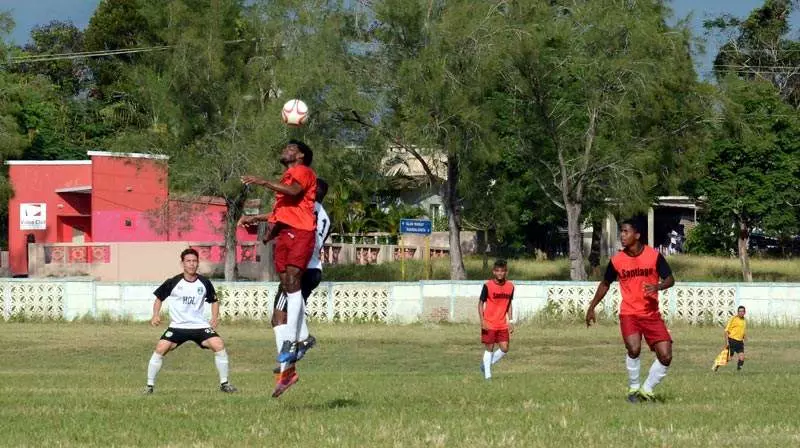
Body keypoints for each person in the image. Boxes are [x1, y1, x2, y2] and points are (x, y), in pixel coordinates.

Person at [238, 139, 317, 398]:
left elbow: (294, 192)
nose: (285, 150)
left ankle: (293, 341)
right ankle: (298, 345)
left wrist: (261, 181)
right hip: (286, 235)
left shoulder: (302, 172)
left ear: (301, 155)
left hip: (300, 233)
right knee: (287, 285)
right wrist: (264, 227)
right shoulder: (286, 178)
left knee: (292, 285)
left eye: (291, 148)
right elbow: (281, 212)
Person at [585, 219, 675, 403]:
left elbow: (670, 279)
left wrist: (658, 287)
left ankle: (647, 389)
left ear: (637, 235)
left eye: (626, 232)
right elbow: (605, 283)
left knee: (666, 355)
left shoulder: (654, 256)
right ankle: (634, 388)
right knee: (633, 349)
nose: (622, 235)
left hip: (651, 314)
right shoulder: (617, 260)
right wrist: (592, 306)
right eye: (621, 232)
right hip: (629, 314)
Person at [145, 248, 237, 394]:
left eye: (194, 261)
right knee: (160, 348)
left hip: (199, 326)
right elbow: (159, 299)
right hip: (178, 326)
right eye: (188, 261)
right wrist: (155, 315)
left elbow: (214, 301)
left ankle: (224, 384)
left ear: (197, 263)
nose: (192, 264)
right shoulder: (173, 282)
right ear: (182, 263)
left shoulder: (204, 282)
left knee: (218, 344)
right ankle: (149, 386)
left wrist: (214, 317)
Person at [269, 178, 331, 373]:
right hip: (315, 270)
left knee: (279, 317)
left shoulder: (303, 209)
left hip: (298, 268)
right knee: (294, 310)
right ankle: (300, 344)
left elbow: (279, 219)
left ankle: (288, 362)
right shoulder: (326, 218)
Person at [478, 259, 515, 380]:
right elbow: (480, 303)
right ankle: (488, 376)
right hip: (489, 323)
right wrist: (482, 320)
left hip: (502, 324)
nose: (500, 273)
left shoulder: (510, 287)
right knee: (489, 348)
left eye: (502, 271)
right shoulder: (487, 286)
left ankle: (485, 365)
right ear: (494, 272)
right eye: (497, 271)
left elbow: (509, 304)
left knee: (505, 348)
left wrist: (510, 321)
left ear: (506, 272)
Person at [715, 306, 747, 372]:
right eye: (739, 311)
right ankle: (717, 365)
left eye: (742, 311)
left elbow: (741, 330)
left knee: (742, 357)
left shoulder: (744, 320)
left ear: (744, 312)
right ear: (737, 312)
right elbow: (726, 331)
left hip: (740, 342)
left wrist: (744, 336)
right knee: (728, 358)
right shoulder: (733, 319)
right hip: (732, 340)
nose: (741, 313)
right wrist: (727, 342)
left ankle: (739, 371)